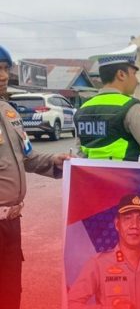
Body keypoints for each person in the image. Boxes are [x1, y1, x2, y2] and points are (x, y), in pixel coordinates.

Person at [0, 44, 71, 309]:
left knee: (9, 294)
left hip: (11, 224)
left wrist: (56, 162)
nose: (4, 75)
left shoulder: (9, 113)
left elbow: (27, 158)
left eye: (6, 68)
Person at [67, 194, 140, 309]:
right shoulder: (98, 264)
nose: (134, 225)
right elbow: (71, 304)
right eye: (127, 218)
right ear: (117, 224)